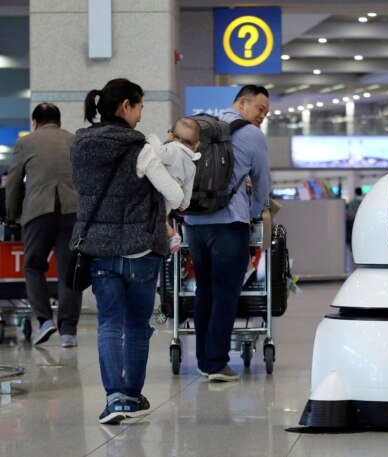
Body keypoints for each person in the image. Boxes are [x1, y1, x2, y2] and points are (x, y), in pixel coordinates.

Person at [69, 78, 183, 424]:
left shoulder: (80, 146)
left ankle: (114, 398)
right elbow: (175, 197)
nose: (141, 114)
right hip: (140, 251)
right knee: (136, 326)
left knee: (108, 323)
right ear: (126, 107)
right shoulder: (141, 149)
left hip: (99, 251)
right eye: (140, 107)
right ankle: (132, 395)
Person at [183, 85, 272, 382]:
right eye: (260, 109)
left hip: (194, 223)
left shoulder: (202, 126)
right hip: (229, 224)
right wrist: (255, 212)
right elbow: (262, 182)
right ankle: (217, 362)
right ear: (243, 102)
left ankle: (203, 359)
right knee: (225, 293)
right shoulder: (251, 135)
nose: (262, 116)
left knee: (204, 291)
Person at [5, 103, 83, 347]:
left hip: (38, 211)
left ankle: (45, 320)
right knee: (69, 271)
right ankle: (68, 331)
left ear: (35, 123)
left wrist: (12, 215)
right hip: (72, 211)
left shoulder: (26, 142)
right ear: (58, 122)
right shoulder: (73, 140)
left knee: (33, 265)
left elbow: (14, 182)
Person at [146, 117, 202, 253]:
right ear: (196, 145)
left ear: (171, 136)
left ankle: (170, 237)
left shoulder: (172, 150)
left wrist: (151, 138)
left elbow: (158, 152)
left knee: (153, 218)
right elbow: (187, 189)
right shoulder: (191, 165)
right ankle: (171, 237)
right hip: (171, 201)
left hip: (159, 193)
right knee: (160, 218)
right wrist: (184, 205)